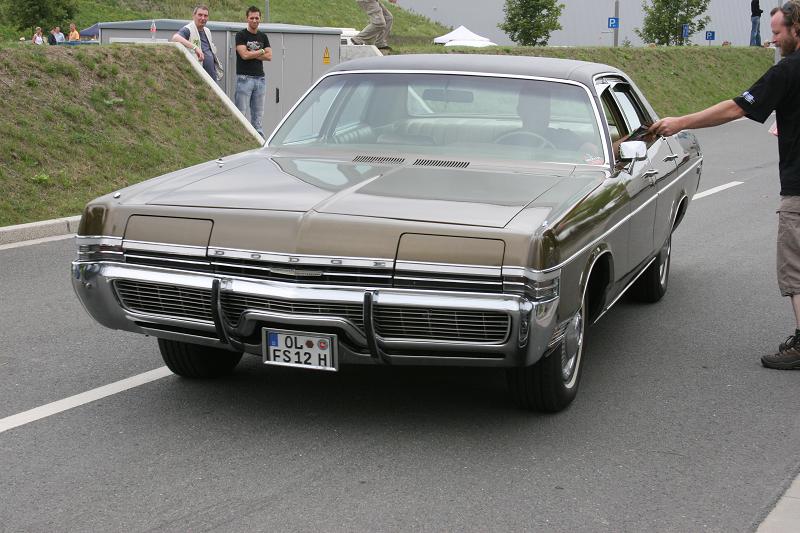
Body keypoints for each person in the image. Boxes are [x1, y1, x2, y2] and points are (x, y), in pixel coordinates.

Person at [650, 1, 800, 370]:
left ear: (797, 29)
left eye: (778, 32)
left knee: (795, 268)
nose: (772, 40)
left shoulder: (788, 71)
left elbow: (736, 108)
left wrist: (681, 122)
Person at [235, 6, 272, 138]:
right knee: (241, 114)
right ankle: (239, 140)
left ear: (260, 18)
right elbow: (244, 55)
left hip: (260, 80)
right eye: (252, 18)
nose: (255, 20)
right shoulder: (241, 35)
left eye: (257, 18)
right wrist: (261, 51)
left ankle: (259, 142)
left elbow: (269, 56)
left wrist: (252, 53)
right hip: (244, 79)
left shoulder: (263, 36)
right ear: (247, 18)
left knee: (258, 117)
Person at [171, 5, 223, 81]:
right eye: (200, 15)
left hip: (211, 77)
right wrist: (195, 47)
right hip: (197, 77)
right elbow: (175, 38)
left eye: (205, 16)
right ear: (194, 16)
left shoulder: (207, 31)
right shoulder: (188, 29)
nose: (203, 18)